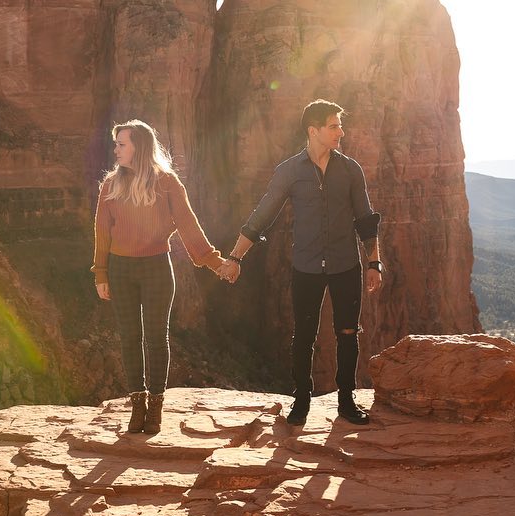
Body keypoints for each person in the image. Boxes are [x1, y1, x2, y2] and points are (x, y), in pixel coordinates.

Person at [218, 99, 383, 426]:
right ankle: (301, 401)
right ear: (314, 130)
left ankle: (347, 401)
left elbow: (365, 220)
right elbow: (261, 216)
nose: (341, 132)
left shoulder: (351, 170)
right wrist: (235, 257)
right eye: (334, 126)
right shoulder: (289, 172)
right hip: (306, 266)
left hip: (346, 265)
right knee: (304, 335)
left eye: (340, 125)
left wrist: (374, 263)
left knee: (348, 333)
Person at [92, 119, 230, 434]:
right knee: (129, 338)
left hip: (156, 267)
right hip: (120, 269)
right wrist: (100, 273)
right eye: (116, 144)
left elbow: (187, 224)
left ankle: (156, 406)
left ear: (138, 147)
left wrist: (213, 261)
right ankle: (136, 406)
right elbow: (102, 232)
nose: (116, 150)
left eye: (121, 144)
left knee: (156, 338)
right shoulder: (110, 185)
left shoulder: (167, 183)